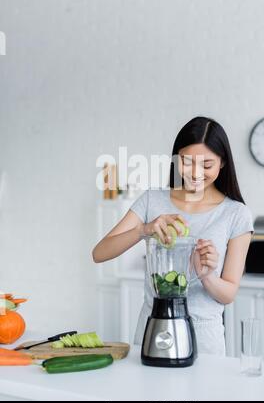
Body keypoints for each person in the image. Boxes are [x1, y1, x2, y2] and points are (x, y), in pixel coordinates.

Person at [92, 116, 254, 356]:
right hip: (152, 326)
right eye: (187, 162)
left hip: (204, 336)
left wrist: (206, 275)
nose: (195, 173)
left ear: (222, 163)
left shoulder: (236, 213)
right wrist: (144, 230)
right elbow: (99, 253)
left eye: (206, 165)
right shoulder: (152, 200)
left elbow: (228, 294)